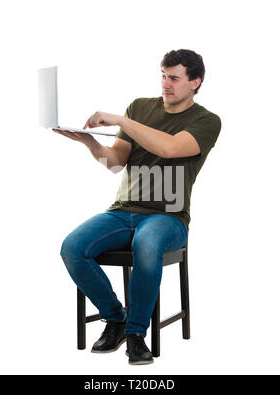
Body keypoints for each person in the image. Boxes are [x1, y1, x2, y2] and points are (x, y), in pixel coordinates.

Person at [53, 49, 221, 365]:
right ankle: (114, 318)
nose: (165, 83)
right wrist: (88, 141)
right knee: (72, 247)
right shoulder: (140, 108)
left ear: (195, 82)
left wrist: (120, 120)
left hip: (167, 217)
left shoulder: (207, 121)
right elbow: (114, 162)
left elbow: (169, 148)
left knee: (146, 245)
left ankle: (136, 334)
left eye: (174, 78)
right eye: (163, 75)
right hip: (122, 210)